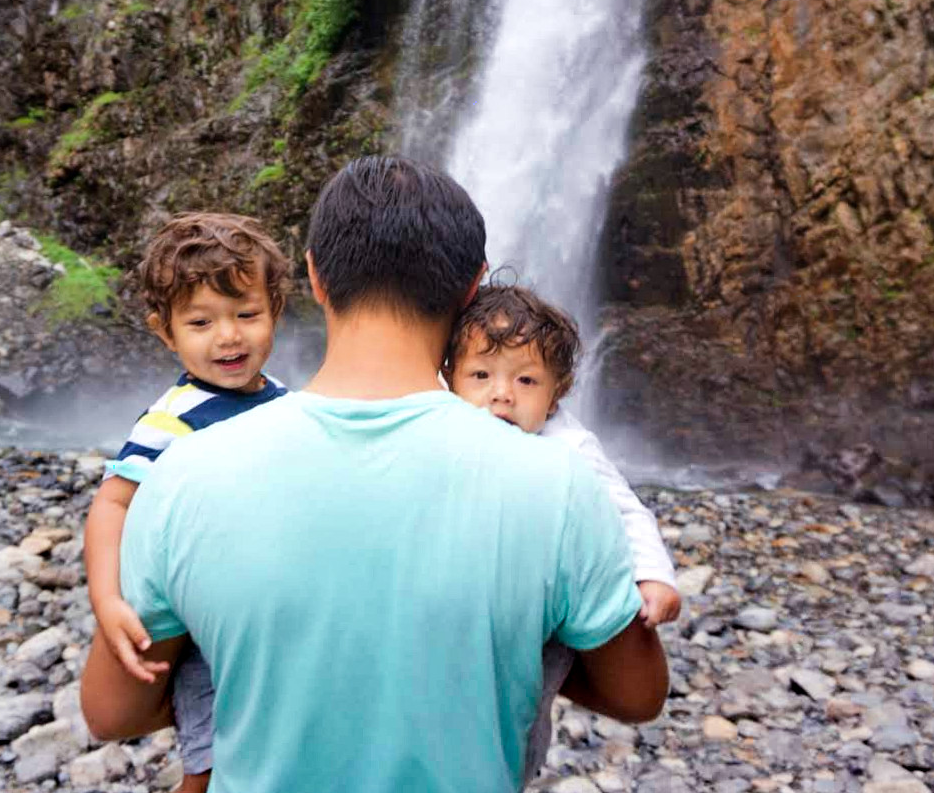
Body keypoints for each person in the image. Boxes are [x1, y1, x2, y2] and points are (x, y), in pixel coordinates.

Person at [82, 156, 668, 793]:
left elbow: (114, 712)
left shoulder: (184, 474)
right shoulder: (559, 484)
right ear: (473, 287)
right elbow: (638, 695)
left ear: (313, 275)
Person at [83, 211, 293, 793]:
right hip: (205, 627)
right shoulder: (169, 422)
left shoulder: (284, 401)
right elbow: (113, 506)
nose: (228, 336)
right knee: (210, 768)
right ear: (165, 331)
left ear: (275, 309)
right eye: (201, 322)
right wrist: (107, 599)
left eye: (247, 314)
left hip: (269, 616)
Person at [443, 282, 680, 784]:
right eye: (481, 375)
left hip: (540, 623)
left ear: (558, 393)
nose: (501, 394)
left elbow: (628, 511)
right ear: (449, 378)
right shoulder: (440, 425)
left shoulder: (571, 448)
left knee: (527, 697)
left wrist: (655, 577)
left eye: (526, 381)